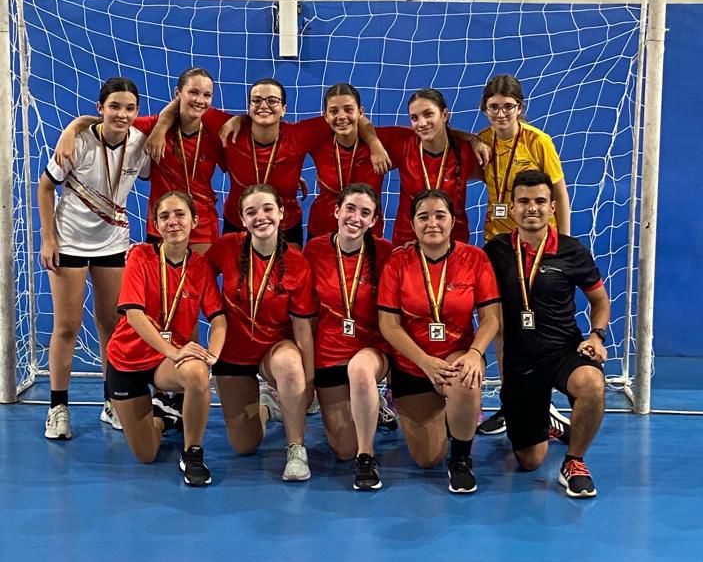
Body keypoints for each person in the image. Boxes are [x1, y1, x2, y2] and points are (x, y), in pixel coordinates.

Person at [483, 169, 609, 498]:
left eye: (540, 201)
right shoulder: (495, 251)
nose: (532, 208)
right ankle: (549, 424)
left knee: (592, 383)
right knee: (530, 461)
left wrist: (596, 336)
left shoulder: (572, 251)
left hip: (563, 351)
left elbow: (600, 300)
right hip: (520, 361)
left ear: (553, 207)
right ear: (511, 208)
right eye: (523, 201)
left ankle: (575, 461)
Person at [38, 77, 151, 442]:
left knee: (112, 324)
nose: (122, 114)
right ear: (100, 108)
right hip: (69, 242)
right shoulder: (79, 141)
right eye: (114, 106)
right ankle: (58, 407)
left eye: (130, 108)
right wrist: (48, 239)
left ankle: (111, 401)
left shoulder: (140, 144)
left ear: (137, 111)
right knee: (67, 326)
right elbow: (45, 187)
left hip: (113, 243)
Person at [160, 77, 390, 247]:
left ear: (284, 109)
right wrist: (160, 128)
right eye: (257, 101)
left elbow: (347, 116)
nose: (264, 106)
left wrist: (374, 143)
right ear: (249, 107)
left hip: (286, 224)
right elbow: (186, 103)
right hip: (239, 221)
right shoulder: (230, 130)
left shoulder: (300, 135)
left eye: (272, 101)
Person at [378, 190, 500, 493]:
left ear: (453, 221)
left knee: (464, 378)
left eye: (440, 216)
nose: (432, 223)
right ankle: (451, 415)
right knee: (427, 459)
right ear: (412, 224)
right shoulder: (398, 262)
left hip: (456, 353)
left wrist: (475, 353)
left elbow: (491, 319)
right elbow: (388, 325)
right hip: (412, 363)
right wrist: (424, 362)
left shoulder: (475, 258)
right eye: (423, 217)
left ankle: (460, 459)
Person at [104, 191, 227, 487]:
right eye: (164, 216)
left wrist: (212, 354)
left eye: (180, 214)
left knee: (198, 371)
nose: (173, 221)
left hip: (163, 363)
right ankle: (163, 415)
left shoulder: (200, 267)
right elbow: (134, 315)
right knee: (147, 454)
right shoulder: (140, 256)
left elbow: (219, 319)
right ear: (156, 225)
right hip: (127, 361)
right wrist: (173, 351)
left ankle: (192, 453)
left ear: (194, 221)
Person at [475, 73, 571, 437]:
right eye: (493, 107)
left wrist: (562, 245)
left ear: (521, 107)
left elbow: (559, 193)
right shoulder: (482, 141)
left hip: (537, 245)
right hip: (499, 247)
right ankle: (509, 402)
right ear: (484, 108)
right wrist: (470, 139)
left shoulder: (537, 141)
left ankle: (542, 402)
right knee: (501, 326)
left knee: (537, 326)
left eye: (508, 107)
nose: (501, 113)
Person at [206, 183, 318, 481]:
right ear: (242, 219)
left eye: (268, 209)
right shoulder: (227, 247)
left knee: (289, 363)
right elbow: (194, 273)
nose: (261, 217)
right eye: (251, 212)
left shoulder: (297, 262)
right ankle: (269, 406)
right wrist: (151, 254)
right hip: (234, 352)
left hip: (274, 349)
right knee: (244, 446)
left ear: (281, 213)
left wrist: (308, 382)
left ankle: (296, 449)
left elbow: (302, 329)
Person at [55, 66, 226, 253]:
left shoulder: (216, 128)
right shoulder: (151, 126)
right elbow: (108, 121)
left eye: (207, 95)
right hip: (163, 222)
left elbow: (244, 123)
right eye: (193, 92)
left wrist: (161, 125)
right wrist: (71, 129)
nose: (199, 100)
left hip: (202, 222)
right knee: (161, 273)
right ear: (177, 93)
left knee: (198, 272)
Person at [304, 184, 394, 491]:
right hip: (328, 353)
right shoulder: (314, 249)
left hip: (370, 349)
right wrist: (307, 374)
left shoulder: (385, 252)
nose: (355, 218)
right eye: (350, 209)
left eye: (365, 213)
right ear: (336, 211)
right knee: (343, 450)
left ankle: (366, 457)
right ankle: (369, 408)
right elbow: (307, 314)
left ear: (374, 220)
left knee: (360, 369)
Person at [373, 89, 487, 246]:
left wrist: (473, 139)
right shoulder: (403, 144)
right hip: (408, 242)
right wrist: (373, 144)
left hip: (454, 242)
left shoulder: (466, 151)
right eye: (414, 118)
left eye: (428, 114)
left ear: (445, 115)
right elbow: (356, 126)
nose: (421, 123)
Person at [306, 84, 387, 240]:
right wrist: (290, 174)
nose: (342, 116)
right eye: (334, 111)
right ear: (325, 116)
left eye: (349, 110)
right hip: (322, 228)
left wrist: (374, 142)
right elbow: (284, 140)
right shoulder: (317, 139)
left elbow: (424, 138)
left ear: (361, 112)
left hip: (367, 229)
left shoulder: (382, 143)